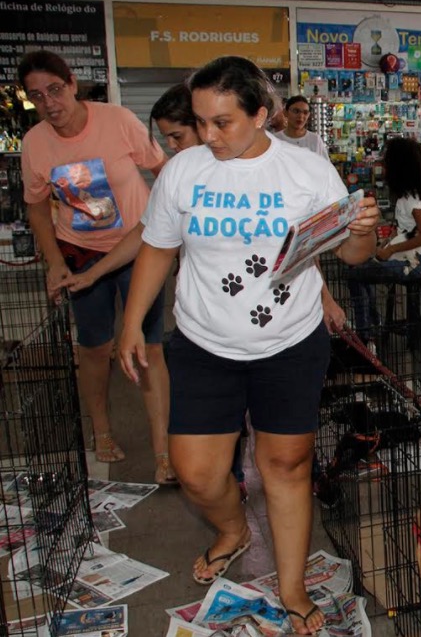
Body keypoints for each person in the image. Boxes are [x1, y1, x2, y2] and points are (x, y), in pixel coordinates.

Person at [117, 56, 378, 635]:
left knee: (285, 465)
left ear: (261, 115)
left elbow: (352, 254)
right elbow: (159, 246)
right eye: (200, 121)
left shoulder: (307, 171)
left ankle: (292, 587)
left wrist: (362, 231)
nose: (208, 135)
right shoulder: (184, 172)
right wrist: (132, 322)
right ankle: (233, 528)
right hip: (204, 342)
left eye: (223, 122)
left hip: (289, 342)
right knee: (196, 474)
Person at [63, 83, 349, 500]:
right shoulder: (185, 175)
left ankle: (273, 479)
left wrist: (323, 296)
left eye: (179, 136)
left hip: (282, 334)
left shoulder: (278, 169)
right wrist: (98, 279)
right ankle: (229, 489)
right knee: (209, 456)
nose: (173, 147)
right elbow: (149, 239)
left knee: (285, 449)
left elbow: (294, 245)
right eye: (168, 138)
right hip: (209, 332)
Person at [18, 50, 174, 484]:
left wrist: (171, 229)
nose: (49, 102)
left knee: (149, 346)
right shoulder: (34, 143)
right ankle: (102, 431)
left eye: (54, 89)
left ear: (72, 83)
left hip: (137, 246)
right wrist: (54, 262)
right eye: (36, 96)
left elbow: (162, 170)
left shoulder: (117, 120)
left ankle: (164, 450)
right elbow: (36, 207)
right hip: (80, 252)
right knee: (94, 347)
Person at [347, 137, 421, 343]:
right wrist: (385, 245)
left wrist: (390, 250)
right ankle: (372, 324)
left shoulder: (411, 199)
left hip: (417, 263)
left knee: (355, 276)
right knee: (359, 269)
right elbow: (407, 230)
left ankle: (365, 333)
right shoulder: (409, 196)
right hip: (411, 258)